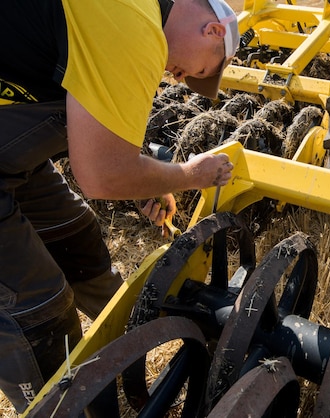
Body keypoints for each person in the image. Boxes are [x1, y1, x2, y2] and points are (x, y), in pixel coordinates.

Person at [0, 0, 239, 412]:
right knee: (38, 307)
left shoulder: (132, 14)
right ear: (213, 32)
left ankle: (124, 348)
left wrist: (140, 178)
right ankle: (63, 405)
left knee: (77, 237)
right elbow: (101, 176)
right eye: (200, 71)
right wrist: (187, 174)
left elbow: (98, 116)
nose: (181, 78)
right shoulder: (135, 24)